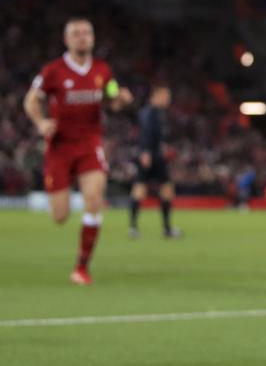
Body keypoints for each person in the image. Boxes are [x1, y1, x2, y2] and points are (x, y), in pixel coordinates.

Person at [23, 17, 134, 285]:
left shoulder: (102, 70)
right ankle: (66, 197)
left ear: (93, 38)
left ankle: (82, 267)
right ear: (67, 39)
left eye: (86, 33)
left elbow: (112, 98)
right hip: (59, 147)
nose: (82, 37)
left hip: (89, 144)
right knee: (60, 216)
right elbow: (30, 100)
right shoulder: (53, 71)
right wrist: (41, 122)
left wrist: (121, 99)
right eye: (76, 33)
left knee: (95, 199)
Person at [129, 82, 182, 239]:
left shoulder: (158, 113)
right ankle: (139, 227)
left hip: (156, 154)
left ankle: (160, 228)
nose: (168, 99)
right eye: (166, 96)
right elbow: (145, 134)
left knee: (162, 188)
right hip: (151, 156)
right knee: (143, 189)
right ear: (156, 96)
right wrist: (145, 152)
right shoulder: (149, 113)